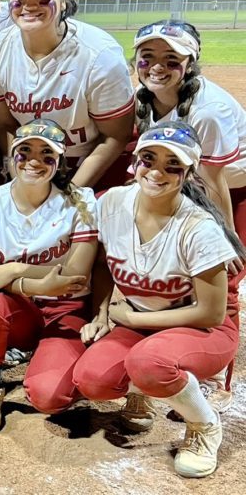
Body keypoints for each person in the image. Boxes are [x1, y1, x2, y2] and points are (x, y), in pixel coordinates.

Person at [72, 123, 246, 479]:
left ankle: (203, 426)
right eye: (148, 159)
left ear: (187, 174)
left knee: (149, 363)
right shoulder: (112, 202)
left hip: (204, 328)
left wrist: (133, 322)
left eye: (172, 165)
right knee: (92, 380)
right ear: (134, 162)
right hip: (143, 317)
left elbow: (210, 312)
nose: (156, 172)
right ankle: (146, 390)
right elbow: (105, 260)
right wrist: (104, 311)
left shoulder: (198, 228)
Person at [131, 20, 246, 407]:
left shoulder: (207, 111)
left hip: (231, 190)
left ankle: (215, 374)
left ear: (191, 63)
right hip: (183, 183)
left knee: (221, 279)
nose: (156, 67)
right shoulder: (143, 99)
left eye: (171, 59)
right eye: (147, 57)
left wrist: (225, 240)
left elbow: (214, 182)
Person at [0, 119, 97, 432]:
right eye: (25, 151)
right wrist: (37, 284)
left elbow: (76, 276)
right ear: (10, 157)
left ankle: (53, 357)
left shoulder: (82, 200)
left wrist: (15, 269)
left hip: (65, 310)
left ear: (59, 162)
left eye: (45, 153)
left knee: (49, 397)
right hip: (18, 308)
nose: (34, 160)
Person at [0, 0, 134, 191]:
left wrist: (71, 193)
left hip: (85, 164)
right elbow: (5, 124)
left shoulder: (100, 56)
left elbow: (116, 136)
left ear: (64, 1)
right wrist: (21, 183)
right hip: (28, 164)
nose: (30, 5)